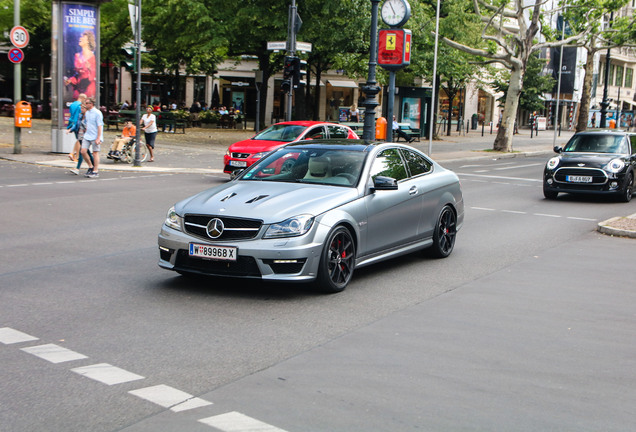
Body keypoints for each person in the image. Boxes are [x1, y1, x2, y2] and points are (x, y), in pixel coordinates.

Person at [64, 30, 96, 100]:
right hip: (78, 89)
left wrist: (90, 69)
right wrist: (70, 80)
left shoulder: (93, 57)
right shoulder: (77, 56)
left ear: (88, 41)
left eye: (82, 37)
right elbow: (77, 75)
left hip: (88, 89)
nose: (80, 38)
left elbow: (93, 76)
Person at [80, 97, 103, 178]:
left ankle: (95, 170)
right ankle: (90, 166)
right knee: (83, 151)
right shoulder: (87, 113)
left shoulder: (97, 113)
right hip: (87, 135)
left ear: (91, 104)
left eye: (87, 103)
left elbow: (100, 126)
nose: (85, 105)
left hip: (95, 135)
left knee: (95, 153)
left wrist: (98, 137)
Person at [68, 103, 93, 175]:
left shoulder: (88, 117)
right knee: (86, 151)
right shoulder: (80, 115)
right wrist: (71, 129)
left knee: (82, 151)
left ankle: (77, 168)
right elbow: (76, 124)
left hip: (86, 136)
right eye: (81, 108)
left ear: (86, 109)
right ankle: (94, 165)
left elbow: (89, 126)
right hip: (80, 135)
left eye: (82, 108)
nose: (81, 110)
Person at [66, 93, 86, 161]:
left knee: (78, 139)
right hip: (77, 123)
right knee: (79, 140)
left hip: (71, 121)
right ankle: (76, 156)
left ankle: (73, 153)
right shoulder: (79, 106)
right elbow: (78, 116)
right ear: (83, 98)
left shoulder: (73, 104)